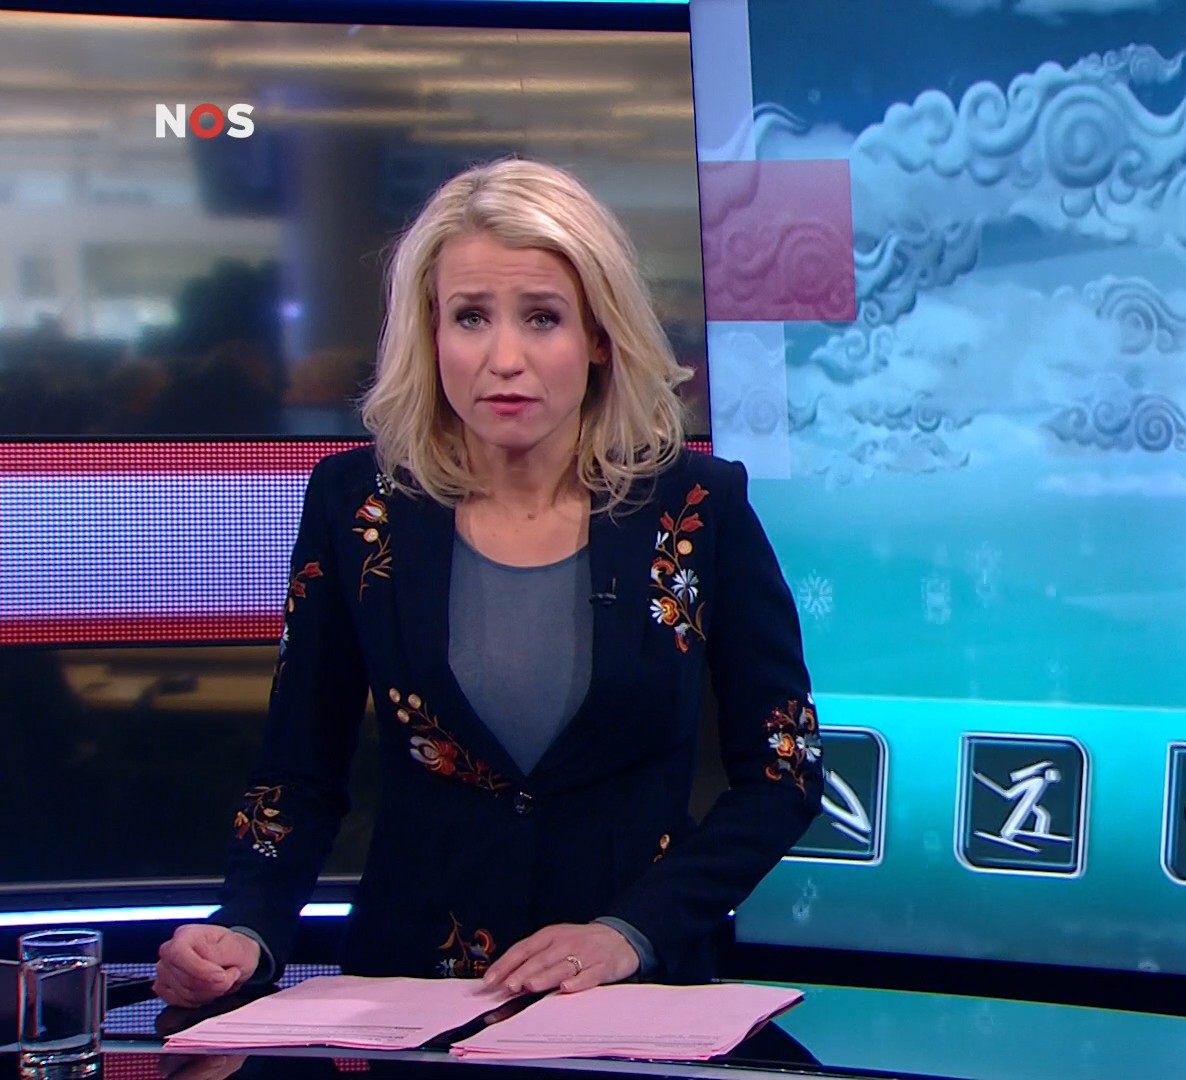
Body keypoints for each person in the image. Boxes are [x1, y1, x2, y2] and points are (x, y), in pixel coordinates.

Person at [153, 158, 823, 1006]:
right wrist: (245, 927)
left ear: (600, 336)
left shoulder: (697, 505)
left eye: (543, 317)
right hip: (409, 995)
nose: (504, 358)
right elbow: (299, 771)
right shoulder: (357, 504)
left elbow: (783, 772)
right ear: (429, 333)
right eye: (470, 317)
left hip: (634, 999)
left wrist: (630, 933)